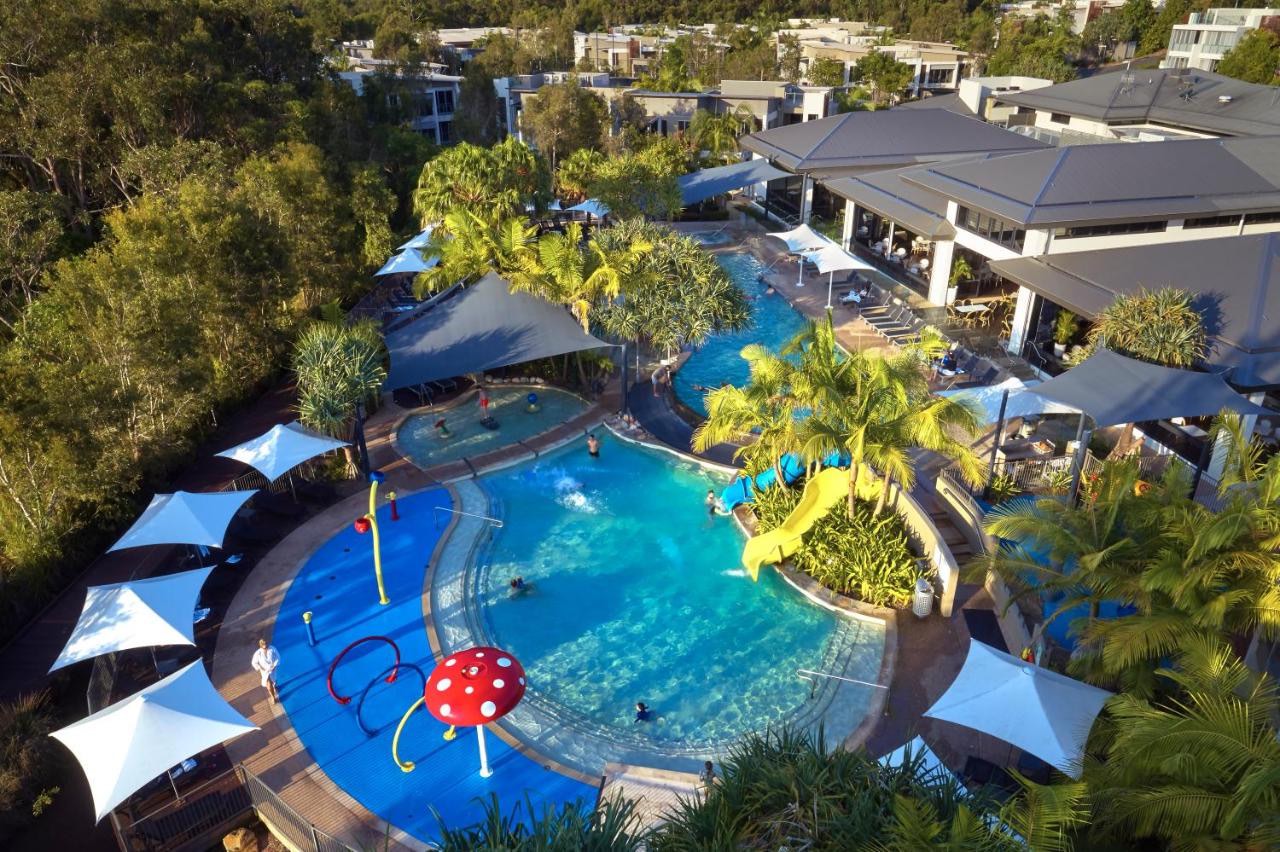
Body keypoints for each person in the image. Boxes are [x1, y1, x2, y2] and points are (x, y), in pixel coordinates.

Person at [251, 638, 280, 704]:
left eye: (266, 644)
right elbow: (254, 662)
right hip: (264, 671)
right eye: (264, 645)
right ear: (261, 645)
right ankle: (273, 697)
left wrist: (274, 665)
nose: (266, 646)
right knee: (268, 684)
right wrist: (260, 667)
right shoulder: (258, 653)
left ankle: (274, 685)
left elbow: (278, 657)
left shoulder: (272, 649)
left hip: (272, 669)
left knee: (273, 680)